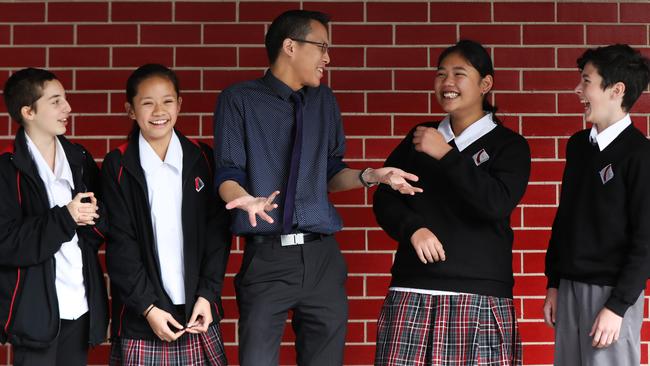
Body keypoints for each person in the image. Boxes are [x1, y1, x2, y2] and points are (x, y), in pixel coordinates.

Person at [213, 9, 421, 366]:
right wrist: (244, 199)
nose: (328, 57)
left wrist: (371, 175)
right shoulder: (239, 100)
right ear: (290, 46)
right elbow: (227, 173)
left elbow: (330, 172)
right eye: (321, 46)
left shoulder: (324, 101)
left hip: (323, 257)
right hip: (268, 258)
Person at [372, 40, 530, 365]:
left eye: (459, 74)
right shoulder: (419, 137)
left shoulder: (510, 145)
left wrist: (446, 154)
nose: (447, 83)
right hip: (413, 289)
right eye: (441, 74)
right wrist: (413, 229)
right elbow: (385, 198)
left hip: (480, 295)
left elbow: (494, 204)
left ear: (486, 84)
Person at [102, 64, 230, 365]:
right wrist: (148, 308)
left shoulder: (202, 159)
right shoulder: (117, 165)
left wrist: (207, 295)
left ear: (179, 104)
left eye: (167, 101)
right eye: (147, 103)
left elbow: (218, 235)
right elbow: (120, 243)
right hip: (142, 316)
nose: (159, 110)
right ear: (130, 110)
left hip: (197, 312)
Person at [543, 44, 650, 366]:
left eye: (586, 81)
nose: (578, 89)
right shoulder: (578, 147)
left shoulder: (641, 155)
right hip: (569, 289)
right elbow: (565, 221)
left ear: (616, 90)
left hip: (610, 294)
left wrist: (617, 306)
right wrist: (554, 284)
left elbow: (646, 240)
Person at [0, 68, 109, 365]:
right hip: (35, 315)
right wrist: (66, 217)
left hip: (81, 306)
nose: (68, 108)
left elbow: (102, 225)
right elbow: (7, 244)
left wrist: (93, 219)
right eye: (56, 101)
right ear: (28, 111)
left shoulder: (80, 159)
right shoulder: (7, 170)